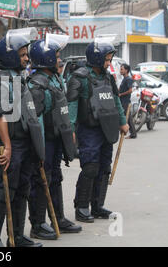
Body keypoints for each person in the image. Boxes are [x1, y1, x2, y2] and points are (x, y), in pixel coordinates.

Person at [0, 28, 43, 247]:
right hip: (10, 144)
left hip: (24, 144)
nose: (27, 58)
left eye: (27, 54)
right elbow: (0, 118)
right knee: (5, 190)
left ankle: (16, 236)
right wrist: (7, 146)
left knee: (22, 189)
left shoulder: (20, 78)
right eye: (23, 54)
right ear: (10, 55)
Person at [67, 40, 129, 223]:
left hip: (107, 129)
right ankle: (82, 207)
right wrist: (70, 129)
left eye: (110, 60)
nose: (109, 64)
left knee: (103, 169)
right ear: (96, 58)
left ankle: (97, 206)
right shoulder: (80, 78)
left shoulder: (108, 78)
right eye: (107, 60)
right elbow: (71, 106)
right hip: (89, 130)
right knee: (90, 168)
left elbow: (116, 101)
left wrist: (123, 122)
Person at [27, 39, 82, 240]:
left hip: (56, 139)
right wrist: (39, 149)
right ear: (46, 59)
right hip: (45, 142)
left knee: (55, 178)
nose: (59, 60)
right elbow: (37, 121)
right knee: (41, 180)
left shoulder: (55, 79)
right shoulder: (36, 85)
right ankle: (38, 224)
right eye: (57, 57)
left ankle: (58, 217)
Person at [119, 64, 137, 139]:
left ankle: (132, 134)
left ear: (126, 70)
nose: (120, 71)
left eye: (122, 69)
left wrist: (121, 94)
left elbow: (130, 90)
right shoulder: (124, 79)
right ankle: (133, 133)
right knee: (128, 118)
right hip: (122, 101)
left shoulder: (128, 79)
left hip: (125, 101)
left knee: (127, 118)